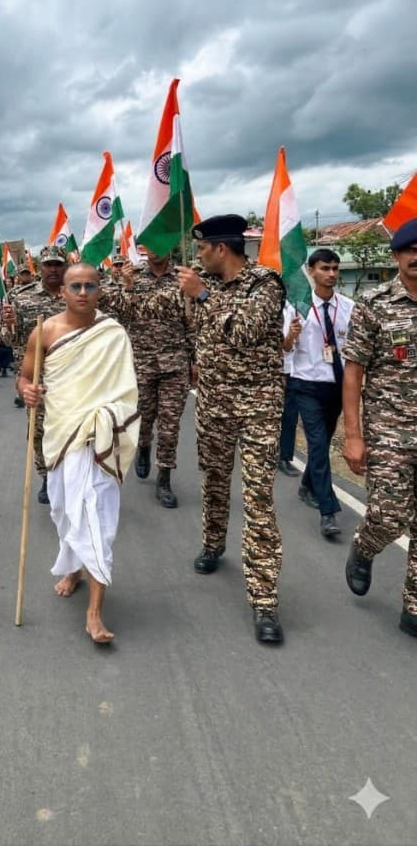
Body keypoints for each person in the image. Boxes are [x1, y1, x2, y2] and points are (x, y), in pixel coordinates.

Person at [177, 216, 286, 643]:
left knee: (258, 498)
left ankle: (264, 599)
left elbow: (244, 332)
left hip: (258, 406)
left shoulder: (265, 284)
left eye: (203, 249)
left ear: (222, 248)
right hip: (214, 404)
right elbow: (159, 312)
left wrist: (202, 296)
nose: (199, 256)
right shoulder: (201, 281)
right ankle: (213, 542)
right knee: (215, 481)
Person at [18, 263, 139, 643]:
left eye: (90, 285)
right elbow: (25, 375)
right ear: (63, 292)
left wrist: (107, 417)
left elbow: (125, 389)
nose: (83, 292)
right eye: (75, 286)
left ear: (100, 290)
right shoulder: (45, 331)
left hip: (101, 437)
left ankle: (95, 612)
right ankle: (72, 568)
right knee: (63, 509)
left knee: (96, 518)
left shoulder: (113, 334)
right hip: (60, 435)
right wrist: (27, 390)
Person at [341, 218, 417, 638]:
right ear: (397, 255)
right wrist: (353, 435)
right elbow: (353, 372)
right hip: (389, 429)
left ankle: (413, 608)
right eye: (411, 250)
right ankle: (366, 546)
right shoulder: (374, 303)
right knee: (390, 515)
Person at [119, 248, 195, 508]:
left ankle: (164, 478)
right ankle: (143, 446)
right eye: (150, 245)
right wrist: (127, 286)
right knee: (143, 418)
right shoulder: (132, 276)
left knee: (170, 424)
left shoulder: (182, 277)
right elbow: (122, 316)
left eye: (159, 244)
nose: (155, 251)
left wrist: (194, 360)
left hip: (175, 362)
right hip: (141, 362)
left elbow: (191, 321)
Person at [287, 249, 354, 538]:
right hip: (306, 384)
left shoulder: (350, 307)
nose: (332, 274)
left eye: (335, 269)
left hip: (337, 385)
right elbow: (285, 348)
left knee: (323, 443)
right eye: (325, 268)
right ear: (311, 271)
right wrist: (291, 334)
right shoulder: (297, 306)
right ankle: (328, 512)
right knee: (316, 444)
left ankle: (307, 485)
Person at [0, 245, 69, 502]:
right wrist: (7, 325)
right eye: (48, 264)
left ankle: (69, 476)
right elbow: (9, 340)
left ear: (65, 267)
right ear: (40, 267)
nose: (53, 269)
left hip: (71, 377)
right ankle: (46, 477)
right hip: (37, 378)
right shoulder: (21, 297)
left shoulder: (76, 294)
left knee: (74, 431)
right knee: (40, 432)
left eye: (57, 264)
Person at [277, 304, 302, 476]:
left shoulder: (296, 308)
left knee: (290, 416)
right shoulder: (270, 305)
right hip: (272, 370)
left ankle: (284, 457)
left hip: (293, 369)